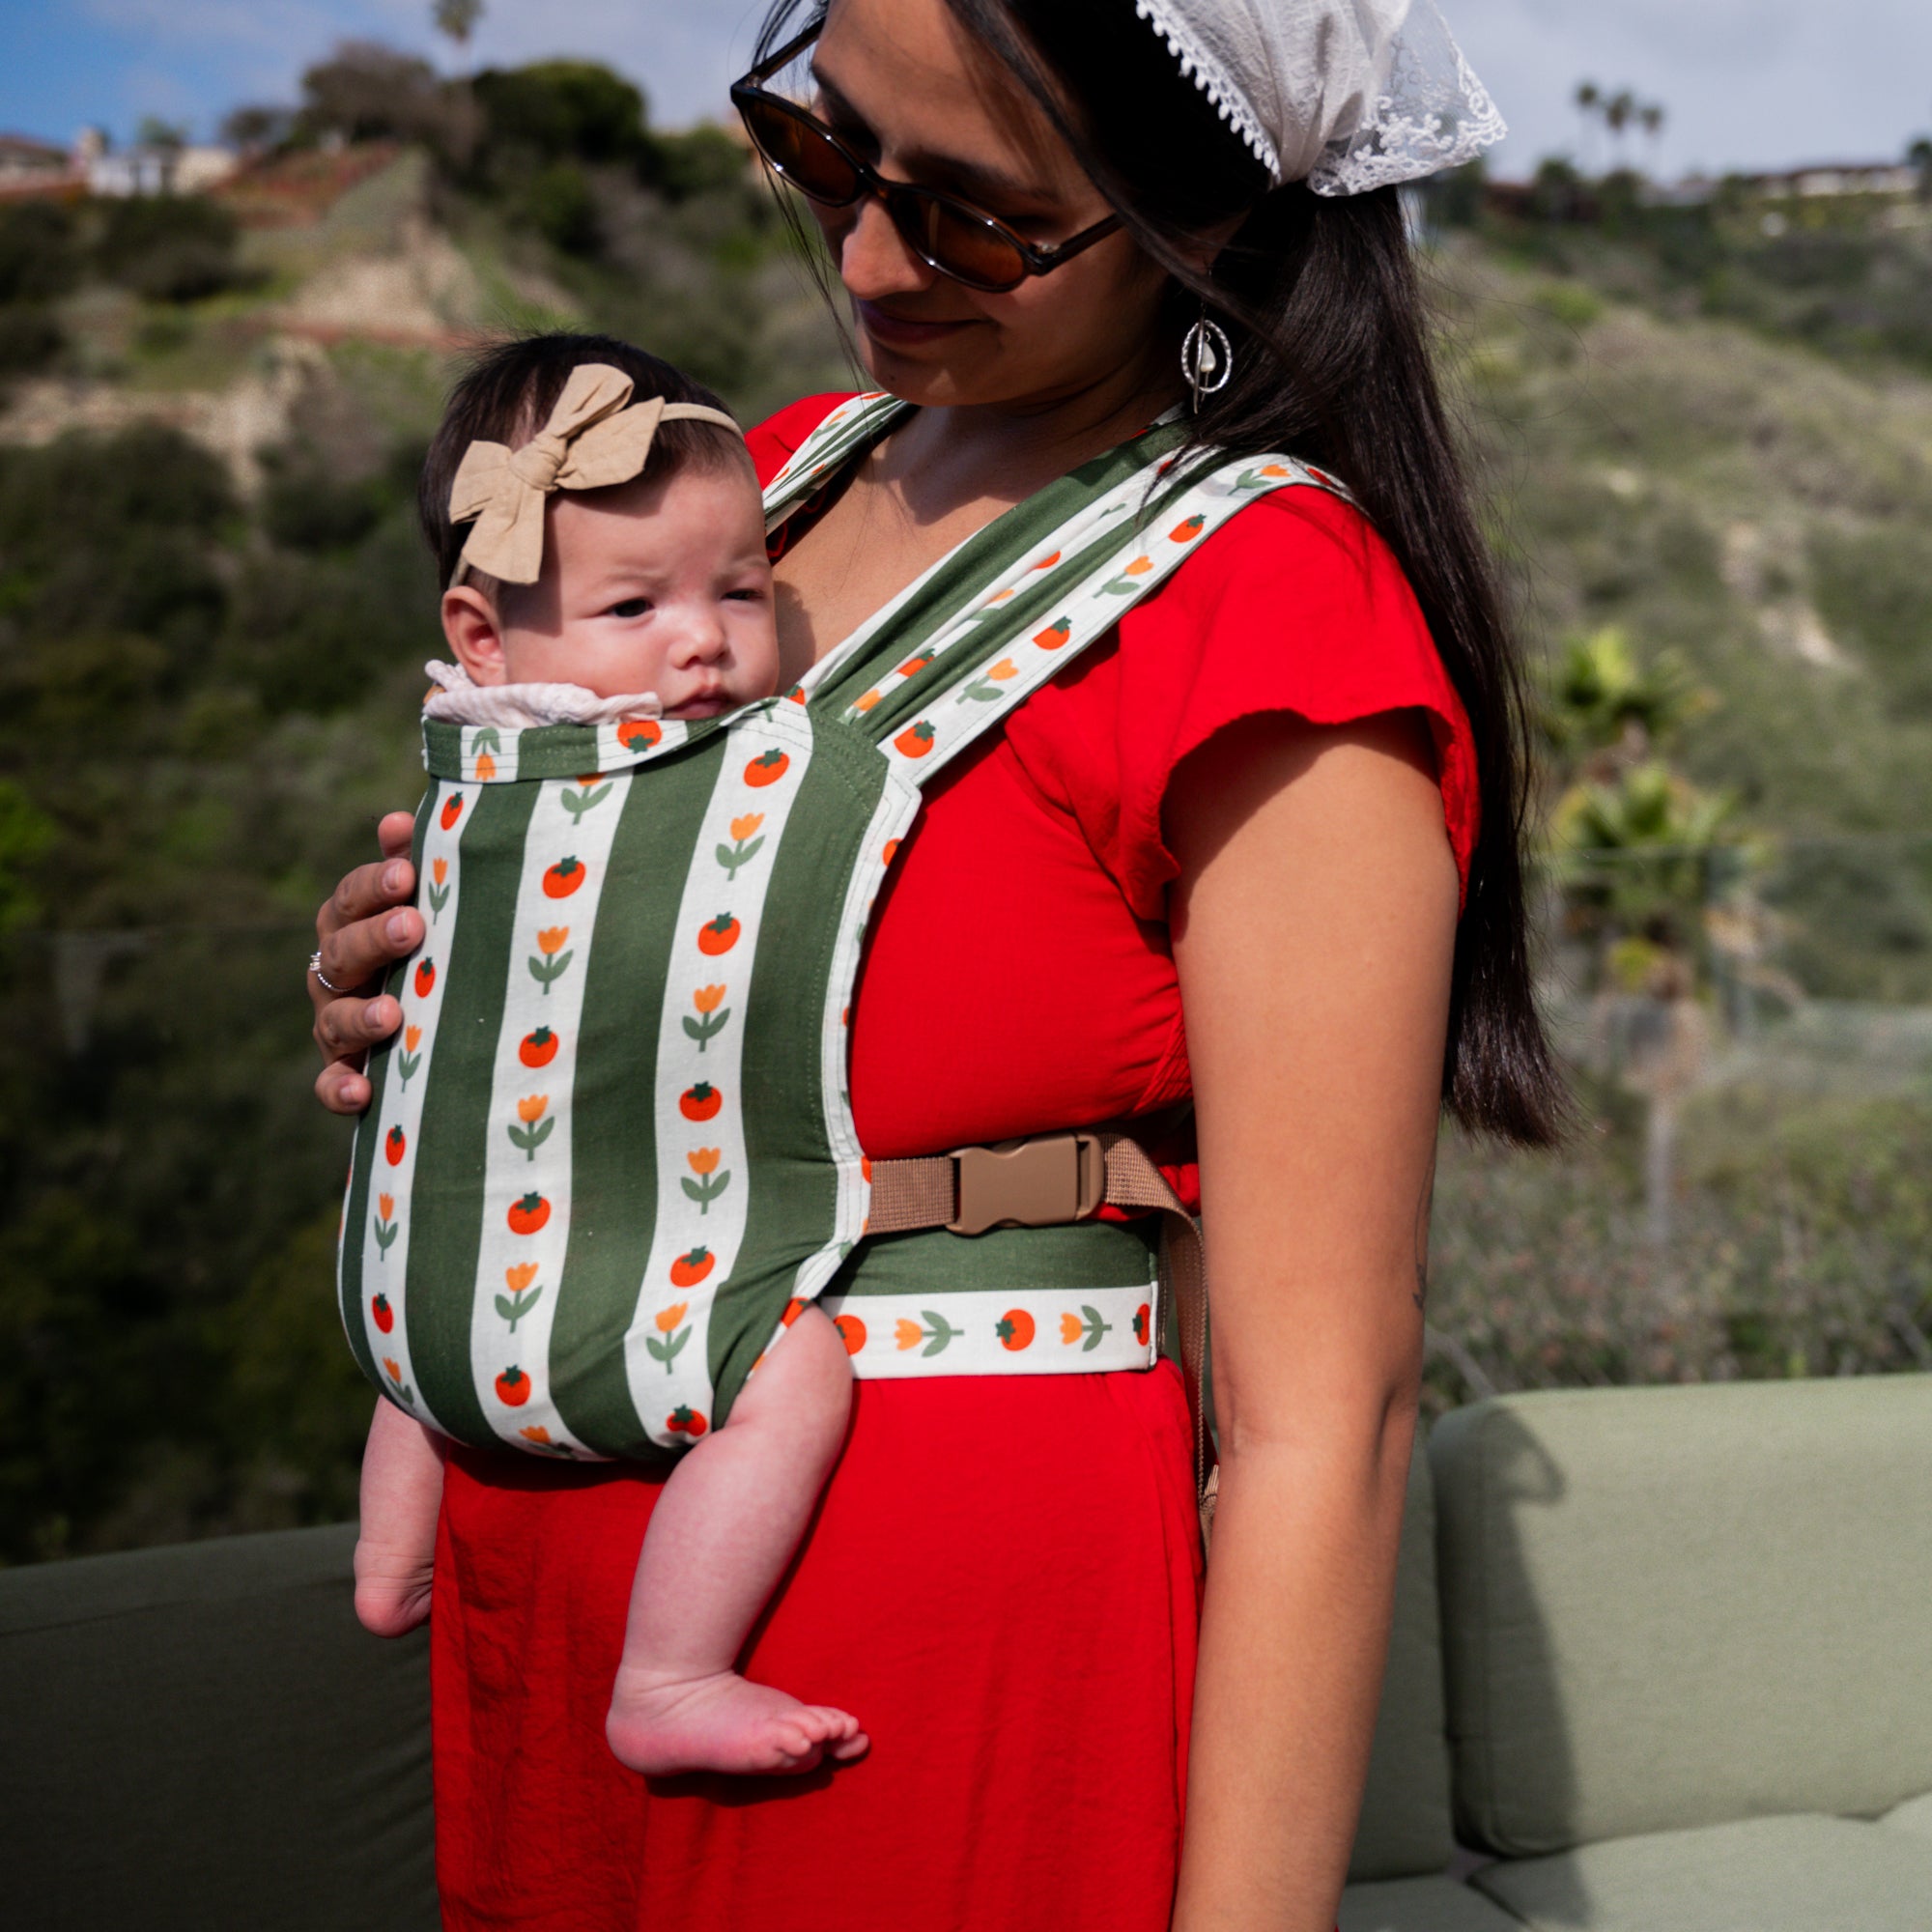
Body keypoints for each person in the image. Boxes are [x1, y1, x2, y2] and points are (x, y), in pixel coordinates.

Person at [308, 2, 1562, 1927]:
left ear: (1202, 223)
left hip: (894, 1667)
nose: (867, 257)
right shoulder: (771, 490)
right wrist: (425, 985)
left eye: (971, 217)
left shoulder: (1260, 610)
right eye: (829, 153)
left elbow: (1327, 1418)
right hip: (553, 1619)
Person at [351, 332, 867, 1778]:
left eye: (742, 594)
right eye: (635, 604)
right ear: (480, 634)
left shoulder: (471, 761)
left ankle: (391, 1556)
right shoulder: (690, 773)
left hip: (413, 1307)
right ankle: (672, 1671)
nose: (700, 642)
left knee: (433, 1268)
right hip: (608, 1256)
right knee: (796, 1370)